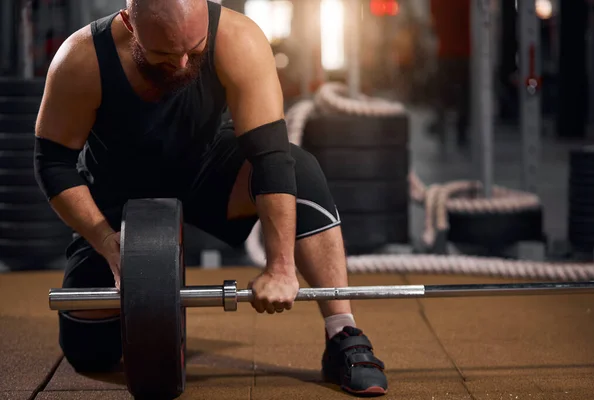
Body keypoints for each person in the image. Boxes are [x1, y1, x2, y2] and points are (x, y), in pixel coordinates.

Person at [33, 0, 387, 396]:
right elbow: (54, 163)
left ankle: (344, 332)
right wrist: (106, 242)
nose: (183, 64)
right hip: (118, 194)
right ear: (129, 24)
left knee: (299, 168)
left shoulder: (239, 38)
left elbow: (270, 157)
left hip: (206, 170)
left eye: (195, 50)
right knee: (90, 351)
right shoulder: (82, 59)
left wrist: (281, 266)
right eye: (165, 54)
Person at [429, 0, 471, 147]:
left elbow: (434, 21)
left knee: (444, 93)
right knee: (464, 94)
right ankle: (461, 132)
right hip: (464, 52)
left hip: (447, 51)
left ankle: (443, 127)